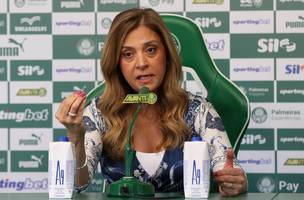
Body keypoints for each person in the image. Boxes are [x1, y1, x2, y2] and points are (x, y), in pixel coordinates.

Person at [56, 8, 247, 197]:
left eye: (150, 50)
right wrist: (76, 136)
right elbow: (79, 184)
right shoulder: (99, 112)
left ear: (167, 55)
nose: (141, 63)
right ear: (116, 63)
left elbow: (229, 169)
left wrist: (234, 181)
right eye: (128, 54)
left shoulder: (199, 111)